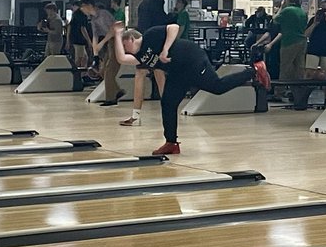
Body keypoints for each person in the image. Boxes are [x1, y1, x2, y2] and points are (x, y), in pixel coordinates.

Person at [114, 22, 269, 155]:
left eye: (125, 45)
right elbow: (121, 58)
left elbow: (173, 27)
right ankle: (171, 143)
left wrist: (165, 49)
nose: (125, 50)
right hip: (177, 72)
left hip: (192, 59)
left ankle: (254, 70)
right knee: (168, 103)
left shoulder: (150, 35)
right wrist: (116, 34)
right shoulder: (139, 57)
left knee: (217, 87)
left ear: (132, 39)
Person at [120, 0, 171, 127]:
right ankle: (169, 110)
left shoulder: (145, 4)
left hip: (147, 44)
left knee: (140, 74)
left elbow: (143, 28)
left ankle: (136, 116)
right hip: (159, 42)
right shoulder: (159, 0)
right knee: (159, 75)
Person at [256, 0, 308, 103]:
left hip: (289, 41)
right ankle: (298, 92)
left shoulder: (287, 10)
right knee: (299, 68)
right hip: (302, 41)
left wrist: (281, 7)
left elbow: (275, 20)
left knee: (285, 66)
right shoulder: (302, 11)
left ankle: (279, 92)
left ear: (287, 0)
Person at [78, 0, 123, 105]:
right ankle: (117, 91)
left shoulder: (103, 14)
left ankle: (110, 99)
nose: (82, 10)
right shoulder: (93, 20)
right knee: (102, 71)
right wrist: (95, 55)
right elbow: (95, 36)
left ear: (88, 5)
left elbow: (113, 30)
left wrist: (101, 43)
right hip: (110, 43)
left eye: (82, 7)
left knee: (109, 70)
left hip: (117, 41)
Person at [68, 0, 93, 72]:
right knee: (80, 58)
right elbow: (83, 28)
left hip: (76, 39)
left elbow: (69, 26)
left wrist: (68, 39)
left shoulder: (75, 14)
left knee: (84, 57)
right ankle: (76, 74)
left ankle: (80, 73)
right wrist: (89, 41)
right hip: (79, 39)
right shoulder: (82, 15)